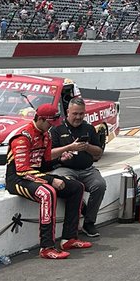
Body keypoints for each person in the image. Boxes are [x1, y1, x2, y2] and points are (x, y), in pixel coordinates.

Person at [5, 102, 92, 260]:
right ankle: (46, 247)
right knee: (48, 193)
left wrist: (60, 160)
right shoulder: (23, 137)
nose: (52, 126)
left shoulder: (46, 135)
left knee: (77, 187)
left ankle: (69, 238)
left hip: (37, 176)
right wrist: (51, 180)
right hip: (17, 180)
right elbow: (22, 171)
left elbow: (44, 164)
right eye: (50, 123)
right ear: (41, 119)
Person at [49, 95, 107, 237]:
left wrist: (86, 147)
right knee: (70, 185)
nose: (78, 117)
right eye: (75, 114)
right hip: (64, 168)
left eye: (81, 114)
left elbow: (98, 153)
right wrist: (67, 148)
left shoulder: (89, 128)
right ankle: (81, 209)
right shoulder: (56, 130)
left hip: (87, 169)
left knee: (100, 185)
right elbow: (49, 154)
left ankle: (89, 222)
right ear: (68, 112)